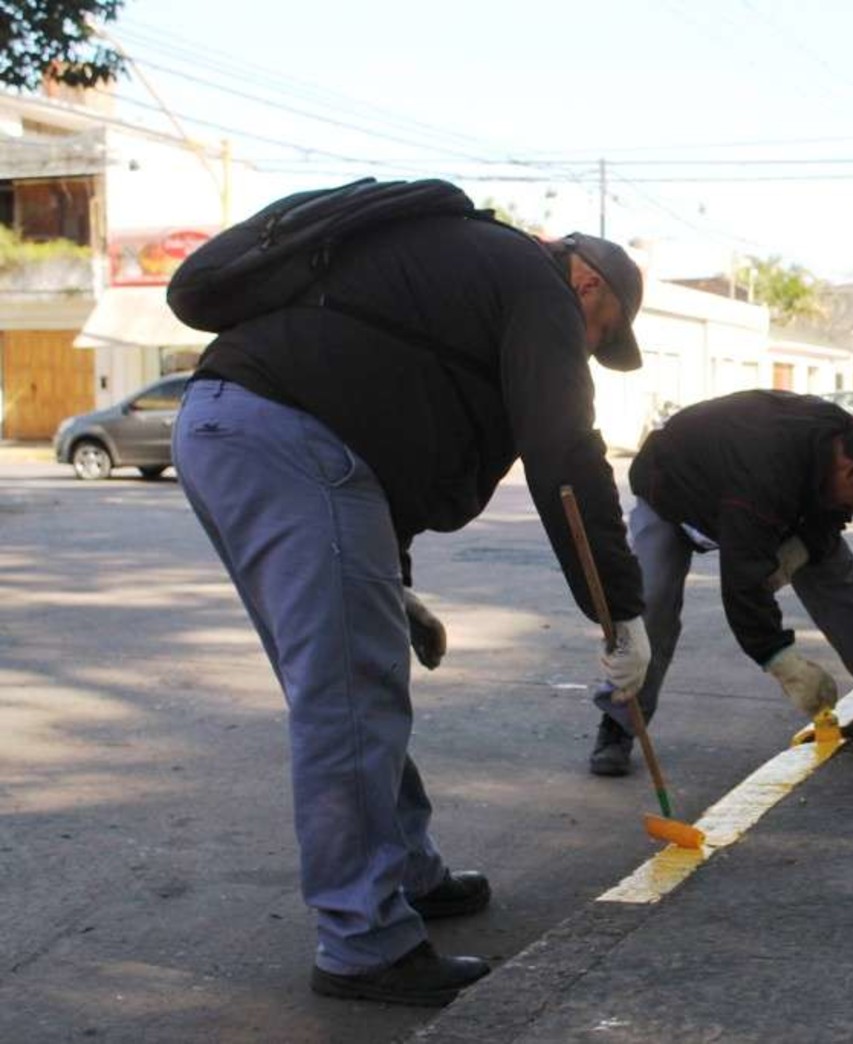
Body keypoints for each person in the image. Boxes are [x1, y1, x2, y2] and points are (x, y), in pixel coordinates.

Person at [172, 220, 652, 1006]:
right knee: (348, 700)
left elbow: (381, 417)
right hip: (284, 436)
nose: (586, 352)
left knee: (350, 684)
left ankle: (401, 870)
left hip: (240, 426)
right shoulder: (536, 286)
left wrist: (391, 585)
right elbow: (564, 452)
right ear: (589, 285)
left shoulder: (458, 273)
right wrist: (620, 611)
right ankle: (363, 942)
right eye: (598, 338)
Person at [589, 389, 853, 777]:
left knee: (836, 575)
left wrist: (804, 548)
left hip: (741, 488)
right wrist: (780, 659)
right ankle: (619, 723)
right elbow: (742, 583)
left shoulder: (842, 439)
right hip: (672, 488)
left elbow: (827, 520)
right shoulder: (766, 472)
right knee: (651, 605)